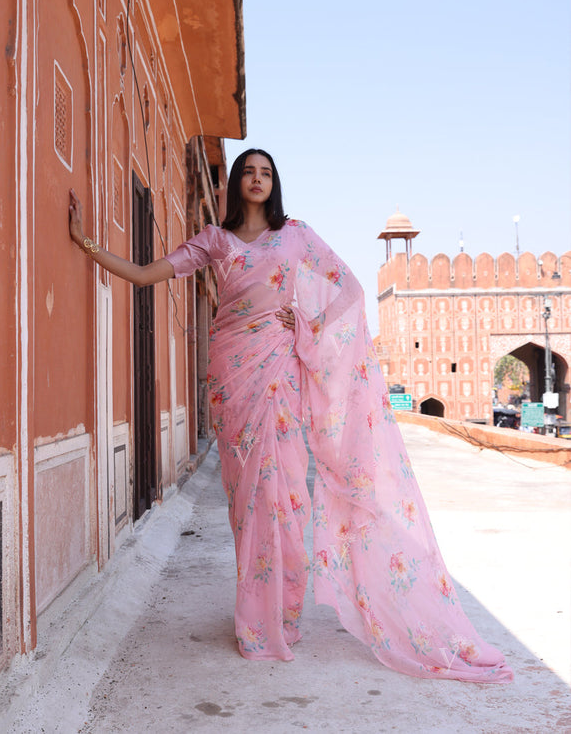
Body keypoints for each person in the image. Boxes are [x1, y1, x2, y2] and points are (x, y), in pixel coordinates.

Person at [69, 148, 513, 683]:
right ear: (236, 183)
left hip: (280, 374)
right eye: (248, 172)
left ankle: (284, 612)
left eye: (266, 173)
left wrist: (307, 320)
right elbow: (145, 275)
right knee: (248, 501)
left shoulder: (296, 235)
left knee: (286, 500)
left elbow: (348, 288)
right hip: (233, 380)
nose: (257, 179)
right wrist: (85, 242)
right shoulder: (215, 240)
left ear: (273, 184)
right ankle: (255, 618)